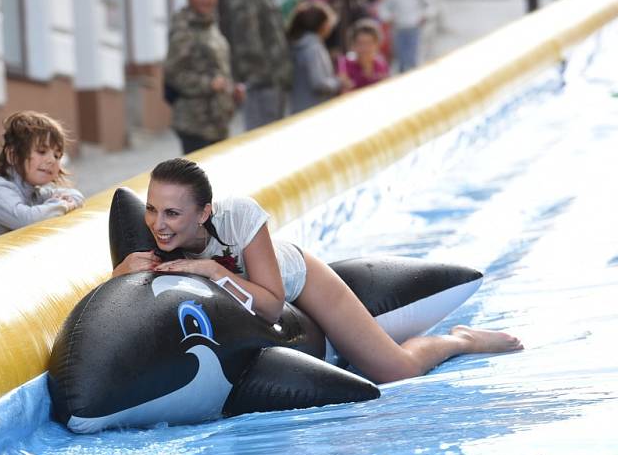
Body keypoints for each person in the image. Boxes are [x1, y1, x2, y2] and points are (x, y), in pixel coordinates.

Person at [112, 158, 523, 385]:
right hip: (247, 295)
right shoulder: (155, 239)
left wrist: (211, 271)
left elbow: (271, 307)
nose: (158, 223)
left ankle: (460, 341)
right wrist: (120, 275)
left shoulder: (239, 215)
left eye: (171, 213)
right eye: (151, 208)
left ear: (204, 212)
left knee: (395, 371)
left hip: (300, 280)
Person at [0, 111, 84, 251]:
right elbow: (26, 219)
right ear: (13, 155)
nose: (51, 160)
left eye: (57, 156)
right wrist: (61, 204)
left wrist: (67, 200)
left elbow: (75, 195)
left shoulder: (32, 190)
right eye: (41, 151)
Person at [164, 0, 244, 155]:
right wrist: (208, 84)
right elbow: (173, 74)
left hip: (218, 121)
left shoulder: (210, 23)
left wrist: (231, 89)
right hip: (195, 124)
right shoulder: (183, 28)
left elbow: (216, 67)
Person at [226, 0, 292, 130]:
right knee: (262, 140)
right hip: (261, 84)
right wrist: (262, 76)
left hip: (272, 81)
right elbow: (246, 41)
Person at [287, 1, 351, 114]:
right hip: (313, 109)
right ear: (323, 25)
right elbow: (319, 83)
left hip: (297, 108)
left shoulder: (296, 44)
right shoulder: (313, 48)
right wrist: (339, 82)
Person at [376, 0, 432, 73]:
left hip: (414, 27)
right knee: (400, 56)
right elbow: (383, 7)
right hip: (398, 27)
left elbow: (429, 5)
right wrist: (388, 18)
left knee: (414, 55)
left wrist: (424, 16)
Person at [337, 18, 389, 91]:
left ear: (377, 44)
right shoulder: (345, 64)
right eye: (360, 43)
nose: (365, 48)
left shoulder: (381, 63)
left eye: (369, 43)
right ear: (353, 45)